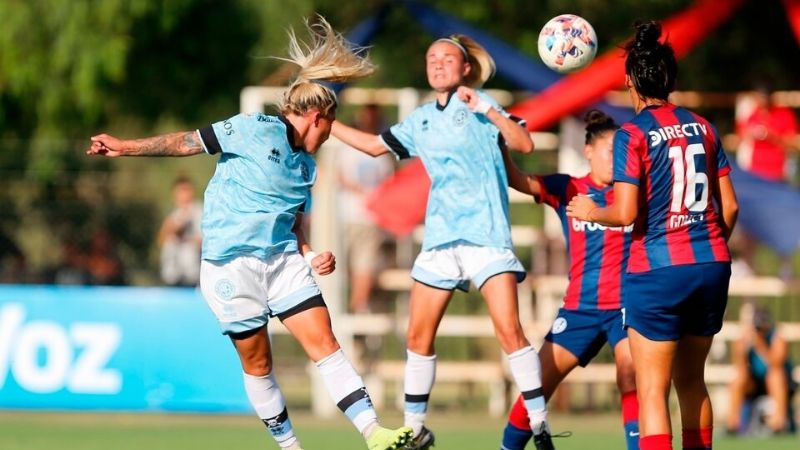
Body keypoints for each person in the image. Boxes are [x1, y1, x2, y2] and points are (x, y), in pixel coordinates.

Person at [86, 17, 411, 450]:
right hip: (229, 266)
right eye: (331, 126)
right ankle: (291, 447)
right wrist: (127, 147)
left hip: (281, 263)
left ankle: (375, 434)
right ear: (318, 117)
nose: (332, 134)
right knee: (259, 363)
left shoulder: (307, 167)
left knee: (326, 344)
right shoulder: (254, 128)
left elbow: (293, 224)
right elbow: (186, 142)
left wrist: (311, 255)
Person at [331, 34, 555, 450]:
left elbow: (524, 143)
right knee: (418, 337)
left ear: (465, 67)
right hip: (440, 241)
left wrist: (487, 107)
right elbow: (372, 146)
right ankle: (415, 430)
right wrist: (326, 122)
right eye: (431, 57)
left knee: (509, 331)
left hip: (486, 237)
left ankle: (540, 425)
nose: (437, 64)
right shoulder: (420, 120)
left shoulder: (483, 107)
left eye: (446, 58)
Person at [566, 21, 739, 450]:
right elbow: (730, 207)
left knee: (651, 389)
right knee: (693, 382)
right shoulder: (703, 125)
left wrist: (591, 210)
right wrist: (707, 249)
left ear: (629, 81)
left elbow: (625, 212)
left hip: (658, 270)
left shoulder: (632, 134)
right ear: (671, 79)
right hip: (712, 264)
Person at [500, 110, 639, 450]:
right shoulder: (568, 188)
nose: (617, 159)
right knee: (537, 386)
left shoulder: (634, 194)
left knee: (630, 377)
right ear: (588, 151)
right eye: (610, 151)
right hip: (580, 309)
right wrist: (502, 146)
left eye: (623, 153)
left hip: (627, 307)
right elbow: (518, 180)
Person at [336, 104, 394, 313]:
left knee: (362, 266)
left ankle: (356, 308)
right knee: (356, 267)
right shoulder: (378, 153)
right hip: (354, 216)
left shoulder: (346, 148)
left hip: (364, 218)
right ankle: (356, 307)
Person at [727, 305, 796, 435]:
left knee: (775, 375)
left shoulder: (777, 337)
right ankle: (733, 424)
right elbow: (740, 365)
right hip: (754, 383)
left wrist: (760, 346)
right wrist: (743, 349)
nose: (760, 331)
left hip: (779, 383)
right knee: (739, 378)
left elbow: (776, 363)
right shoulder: (747, 337)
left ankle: (778, 423)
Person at [736, 84, 798, 183]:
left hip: (778, 172)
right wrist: (752, 133)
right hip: (754, 171)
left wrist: (772, 136)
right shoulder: (752, 113)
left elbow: (792, 141)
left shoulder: (784, 114)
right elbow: (741, 135)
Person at [158, 175, 203, 286]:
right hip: (173, 274)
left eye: (186, 190)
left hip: (193, 273)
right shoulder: (173, 215)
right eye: (181, 191)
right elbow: (161, 240)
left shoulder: (200, 212)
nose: (184, 194)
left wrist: (186, 237)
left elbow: (204, 241)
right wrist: (172, 229)